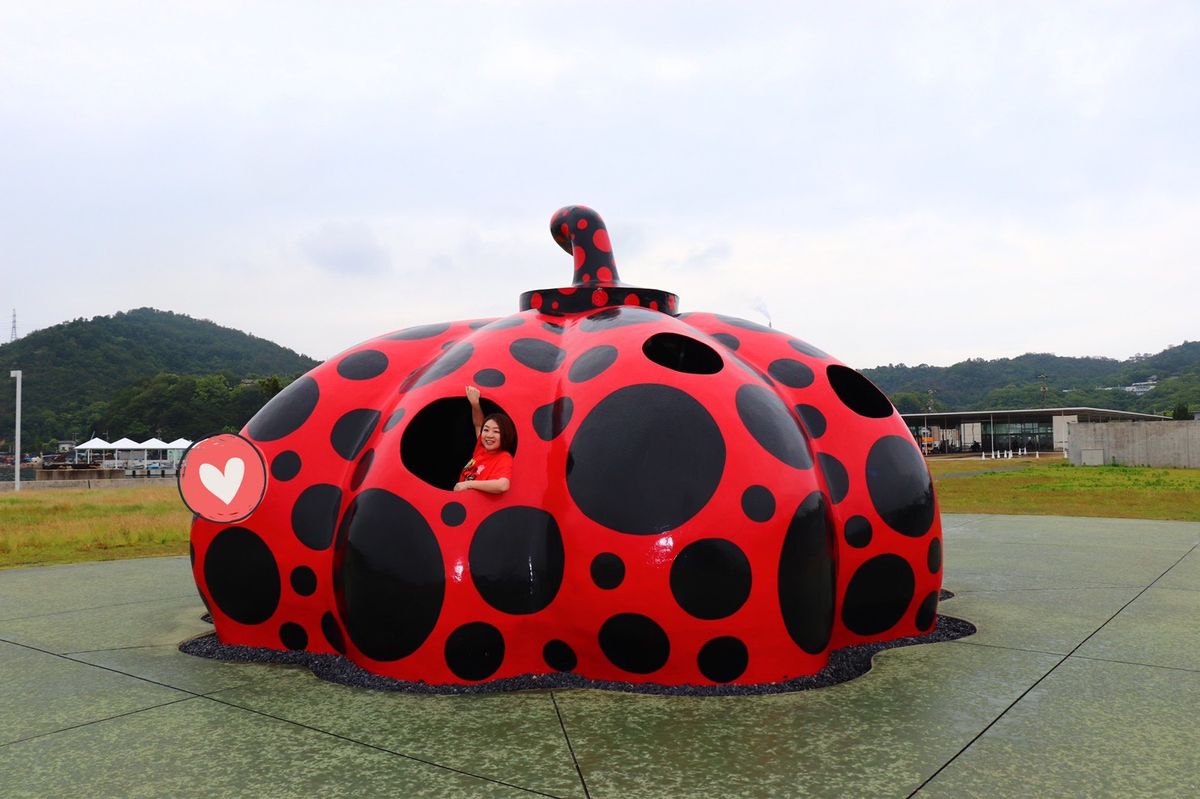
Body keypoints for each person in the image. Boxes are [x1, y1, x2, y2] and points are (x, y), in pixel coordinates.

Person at [453, 385, 515, 494]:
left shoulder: (503, 457)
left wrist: (468, 484)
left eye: (496, 431)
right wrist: (475, 404)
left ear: (505, 435)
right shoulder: (481, 449)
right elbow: (478, 424)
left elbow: (503, 485)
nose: (489, 435)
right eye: (486, 430)